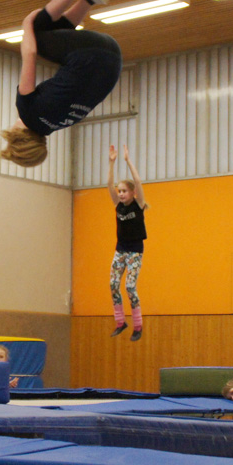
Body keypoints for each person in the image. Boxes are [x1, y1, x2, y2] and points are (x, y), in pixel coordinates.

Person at [0, 0, 122, 167]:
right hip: (90, 53)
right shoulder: (28, 112)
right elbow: (30, 54)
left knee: (54, 36)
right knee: (37, 32)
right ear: (18, 136)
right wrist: (26, 25)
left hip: (113, 57)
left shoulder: (61, 123)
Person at [107, 144, 147, 341]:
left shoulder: (139, 205)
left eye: (124, 191)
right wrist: (111, 163)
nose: (121, 193)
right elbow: (109, 185)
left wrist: (128, 160)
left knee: (130, 287)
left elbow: (138, 181)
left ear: (132, 192)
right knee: (113, 284)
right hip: (121, 250)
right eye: (119, 191)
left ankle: (138, 326)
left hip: (135, 251)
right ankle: (120, 322)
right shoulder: (118, 205)